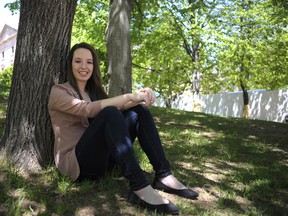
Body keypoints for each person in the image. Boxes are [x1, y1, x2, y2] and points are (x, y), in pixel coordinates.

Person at [48, 42, 199, 214]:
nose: (84, 66)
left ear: (94, 66)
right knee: (110, 112)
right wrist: (130, 95)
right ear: (70, 64)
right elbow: (88, 110)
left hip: (102, 160)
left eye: (89, 62)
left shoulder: (94, 93)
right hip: (77, 164)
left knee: (138, 112)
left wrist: (140, 97)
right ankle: (139, 187)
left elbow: (118, 113)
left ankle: (164, 175)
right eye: (78, 61)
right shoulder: (58, 92)